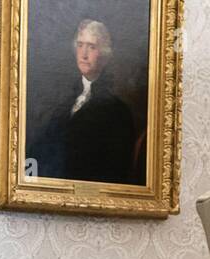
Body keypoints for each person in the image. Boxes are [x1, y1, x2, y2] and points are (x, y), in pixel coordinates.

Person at [27, 19, 138, 185]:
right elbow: (39, 150)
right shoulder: (63, 100)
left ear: (105, 55)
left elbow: (115, 172)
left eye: (92, 47)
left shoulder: (118, 111)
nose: (84, 54)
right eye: (80, 45)